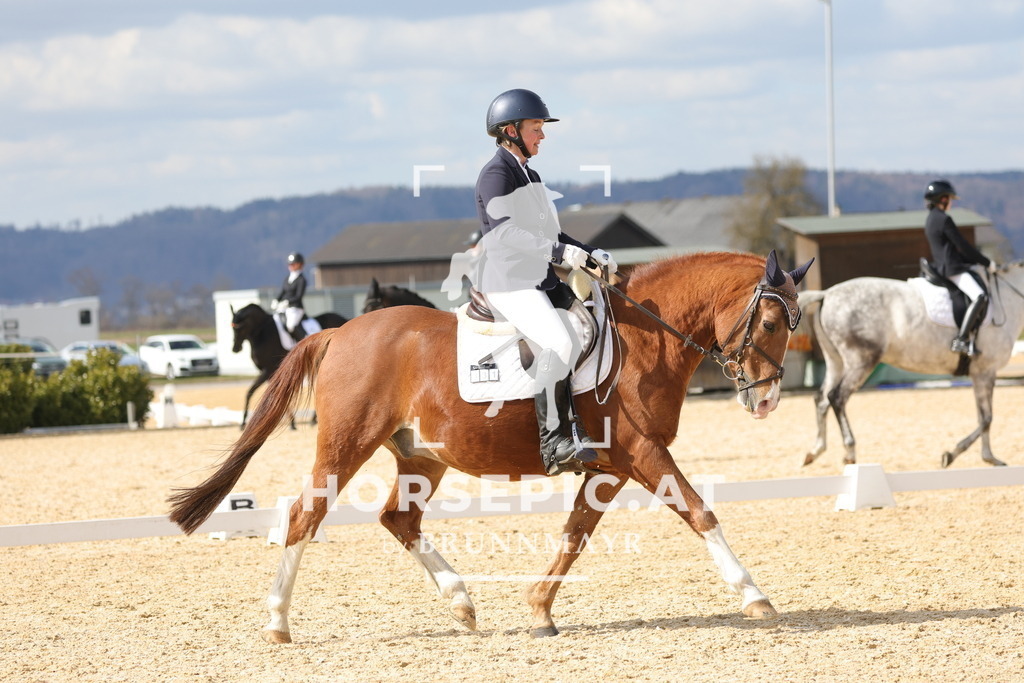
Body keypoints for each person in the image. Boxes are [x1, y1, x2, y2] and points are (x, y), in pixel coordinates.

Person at [471, 88, 618, 475]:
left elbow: (552, 232)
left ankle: (582, 421)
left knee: (593, 321)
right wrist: (560, 255)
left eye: (540, 127)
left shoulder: (528, 174)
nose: (542, 135)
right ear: (510, 130)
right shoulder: (495, 175)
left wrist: (588, 252)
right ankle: (554, 441)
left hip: (540, 281)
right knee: (559, 340)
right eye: (536, 127)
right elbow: (503, 233)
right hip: (509, 283)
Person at [923, 179, 994, 356]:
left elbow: (950, 248)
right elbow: (962, 245)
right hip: (952, 269)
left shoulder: (931, 219)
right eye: (949, 199)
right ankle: (961, 339)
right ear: (943, 199)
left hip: (942, 266)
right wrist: (986, 262)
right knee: (980, 296)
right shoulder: (944, 220)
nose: (951, 203)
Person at [273, 252, 308, 342]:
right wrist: (276, 300)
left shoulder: (301, 280)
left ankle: (303, 342)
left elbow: (298, 296)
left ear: (300, 264)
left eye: (293, 264)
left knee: (291, 325)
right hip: (284, 307)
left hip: (295, 308)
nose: (291, 266)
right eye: (289, 264)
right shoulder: (287, 278)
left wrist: (287, 302)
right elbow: (283, 291)